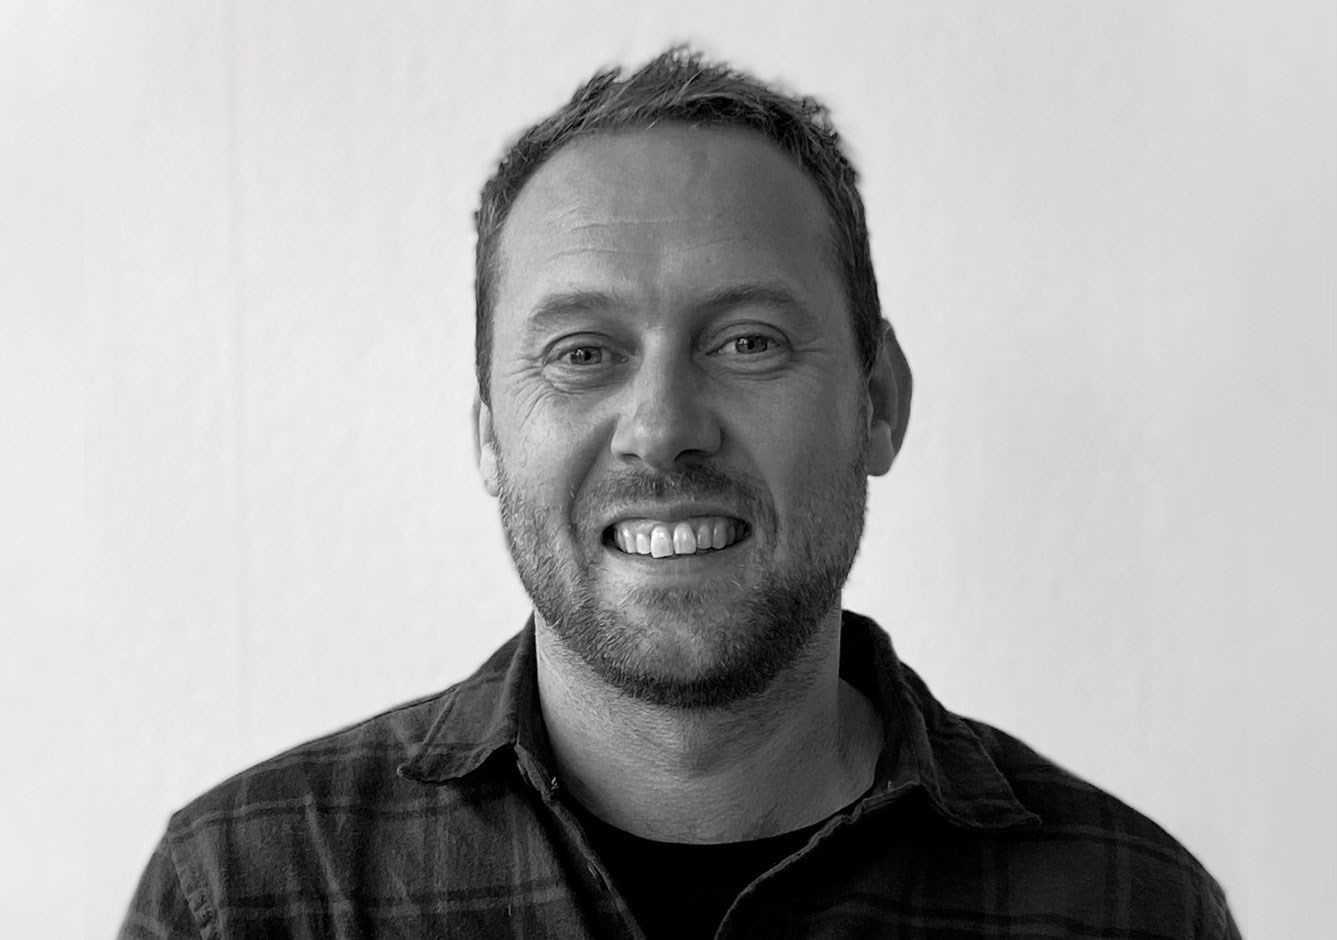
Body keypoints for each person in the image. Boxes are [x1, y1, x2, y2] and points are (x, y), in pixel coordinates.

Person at [121, 47, 1240, 939]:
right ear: (490, 437)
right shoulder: (250, 897)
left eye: (747, 341)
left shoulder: (1126, 907)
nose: (661, 428)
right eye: (581, 353)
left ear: (878, 401)